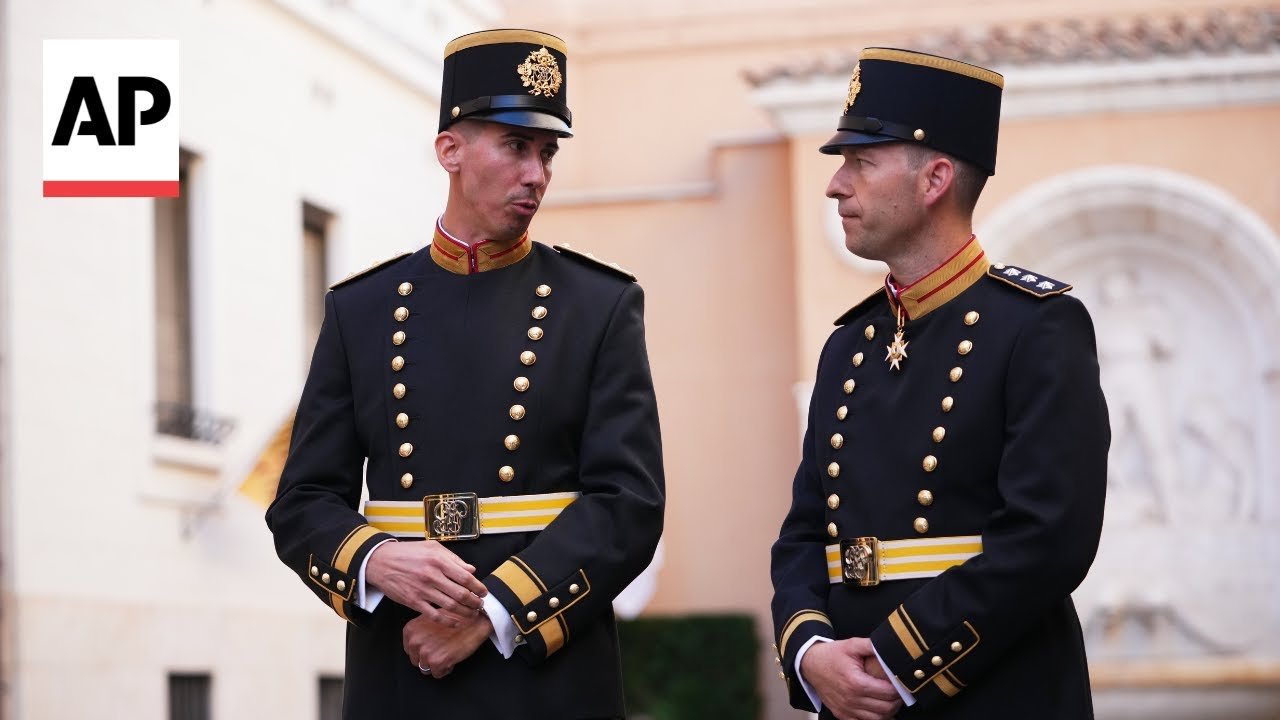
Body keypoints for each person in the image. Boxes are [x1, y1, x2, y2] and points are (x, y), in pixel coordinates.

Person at [265, 28, 665, 720]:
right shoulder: (360, 310)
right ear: (450, 149)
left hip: (547, 673)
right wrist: (373, 560)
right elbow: (302, 500)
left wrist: (495, 612)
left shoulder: (598, 305)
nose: (536, 173)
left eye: (547, 153)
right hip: (400, 664)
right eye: (515, 146)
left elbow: (628, 503)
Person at [770, 47, 1110, 720]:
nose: (836, 185)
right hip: (851, 696)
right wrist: (811, 652)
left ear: (935, 180)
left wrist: (894, 659)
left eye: (860, 163)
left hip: (991, 692)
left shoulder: (1038, 327)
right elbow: (805, 534)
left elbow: (1049, 538)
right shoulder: (849, 345)